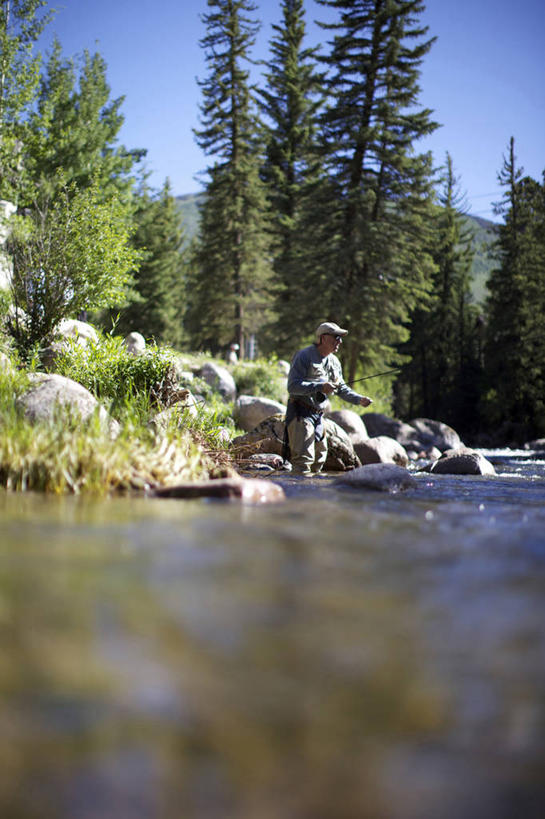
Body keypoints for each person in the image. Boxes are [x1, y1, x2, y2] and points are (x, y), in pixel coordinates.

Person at [284, 321, 372, 475]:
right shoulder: (304, 356)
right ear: (323, 338)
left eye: (340, 338)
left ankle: (312, 496)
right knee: (303, 462)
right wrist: (319, 386)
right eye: (336, 337)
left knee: (318, 461)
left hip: (318, 416)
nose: (340, 341)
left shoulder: (334, 362)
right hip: (300, 413)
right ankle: (298, 495)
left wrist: (359, 399)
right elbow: (292, 386)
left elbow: (342, 389)